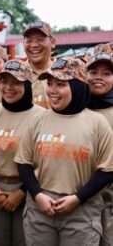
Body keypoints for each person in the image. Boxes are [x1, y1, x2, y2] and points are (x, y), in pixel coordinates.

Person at [14, 56, 113, 246]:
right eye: (50, 83)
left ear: (76, 86)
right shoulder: (38, 119)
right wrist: (38, 195)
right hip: (40, 210)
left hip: (81, 211)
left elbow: (107, 169)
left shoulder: (97, 123)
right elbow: (23, 162)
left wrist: (78, 198)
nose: (52, 90)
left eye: (60, 84)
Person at [0, 59, 45, 246]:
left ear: (27, 85)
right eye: (4, 81)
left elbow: (45, 162)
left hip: (29, 191)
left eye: (16, 82)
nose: (8, 87)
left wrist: (22, 192)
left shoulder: (41, 117)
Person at [86, 52, 113, 246]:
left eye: (106, 73)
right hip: (83, 193)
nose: (98, 78)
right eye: (93, 71)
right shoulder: (76, 108)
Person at [23, 20, 55, 108]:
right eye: (29, 41)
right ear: (23, 44)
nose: (34, 45)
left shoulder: (65, 73)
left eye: (40, 39)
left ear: (52, 42)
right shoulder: (16, 75)